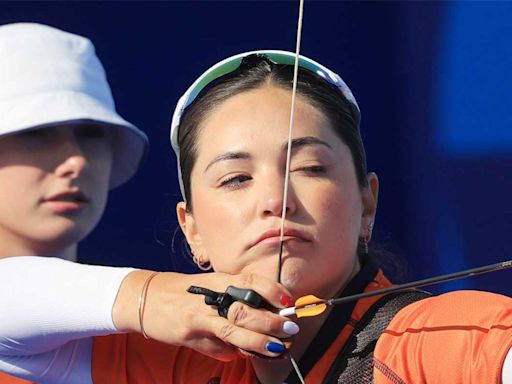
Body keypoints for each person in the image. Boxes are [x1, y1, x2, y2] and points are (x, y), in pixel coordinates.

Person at [2, 47, 512, 383]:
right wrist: (147, 297)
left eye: (310, 167)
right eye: (236, 179)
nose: (276, 199)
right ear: (192, 230)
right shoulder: (185, 363)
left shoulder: (435, 340)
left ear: (367, 204)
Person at [0, 22, 147, 383]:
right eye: (36, 132)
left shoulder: (156, 336)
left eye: (91, 133)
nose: (76, 160)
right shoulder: (153, 307)